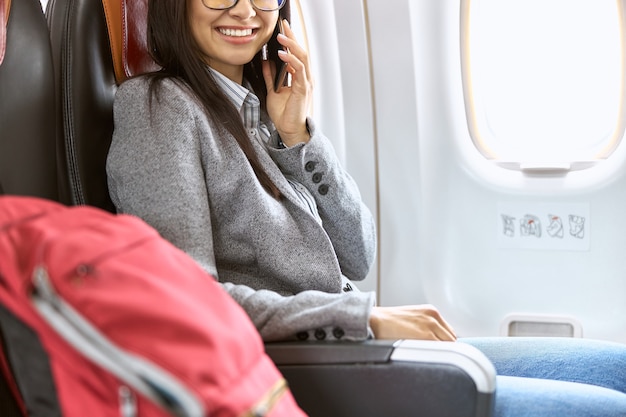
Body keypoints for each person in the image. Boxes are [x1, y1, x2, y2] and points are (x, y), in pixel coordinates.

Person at [106, 0, 626, 416]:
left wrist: (298, 135)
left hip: (346, 347)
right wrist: (365, 320)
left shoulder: (263, 108)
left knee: (618, 368)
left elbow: (359, 255)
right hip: (304, 367)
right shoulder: (159, 107)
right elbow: (189, 302)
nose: (245, 11)